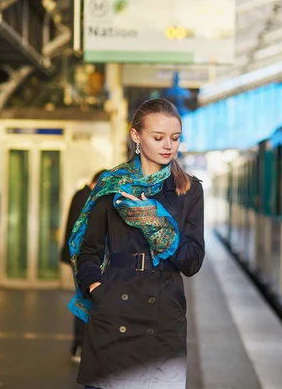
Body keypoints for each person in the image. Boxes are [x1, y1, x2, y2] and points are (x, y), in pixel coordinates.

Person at [67, 98, 205, 389]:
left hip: (164, 318)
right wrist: (97, 289)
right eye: (158, 137)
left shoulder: (189, 190)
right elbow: (87, 250)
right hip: (114, 312)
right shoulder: (111, 185)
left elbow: (192, 261)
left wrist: (156, 225)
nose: (168, 145)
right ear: (136, 136)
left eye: (175, 138)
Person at [61, 169, 106, 362]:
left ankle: (80, 345)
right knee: (84, 300)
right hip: (81, 258)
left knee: (85, 299)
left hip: (80, 257)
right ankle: (78, 346)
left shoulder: (81, 195)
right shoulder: (85, 198)